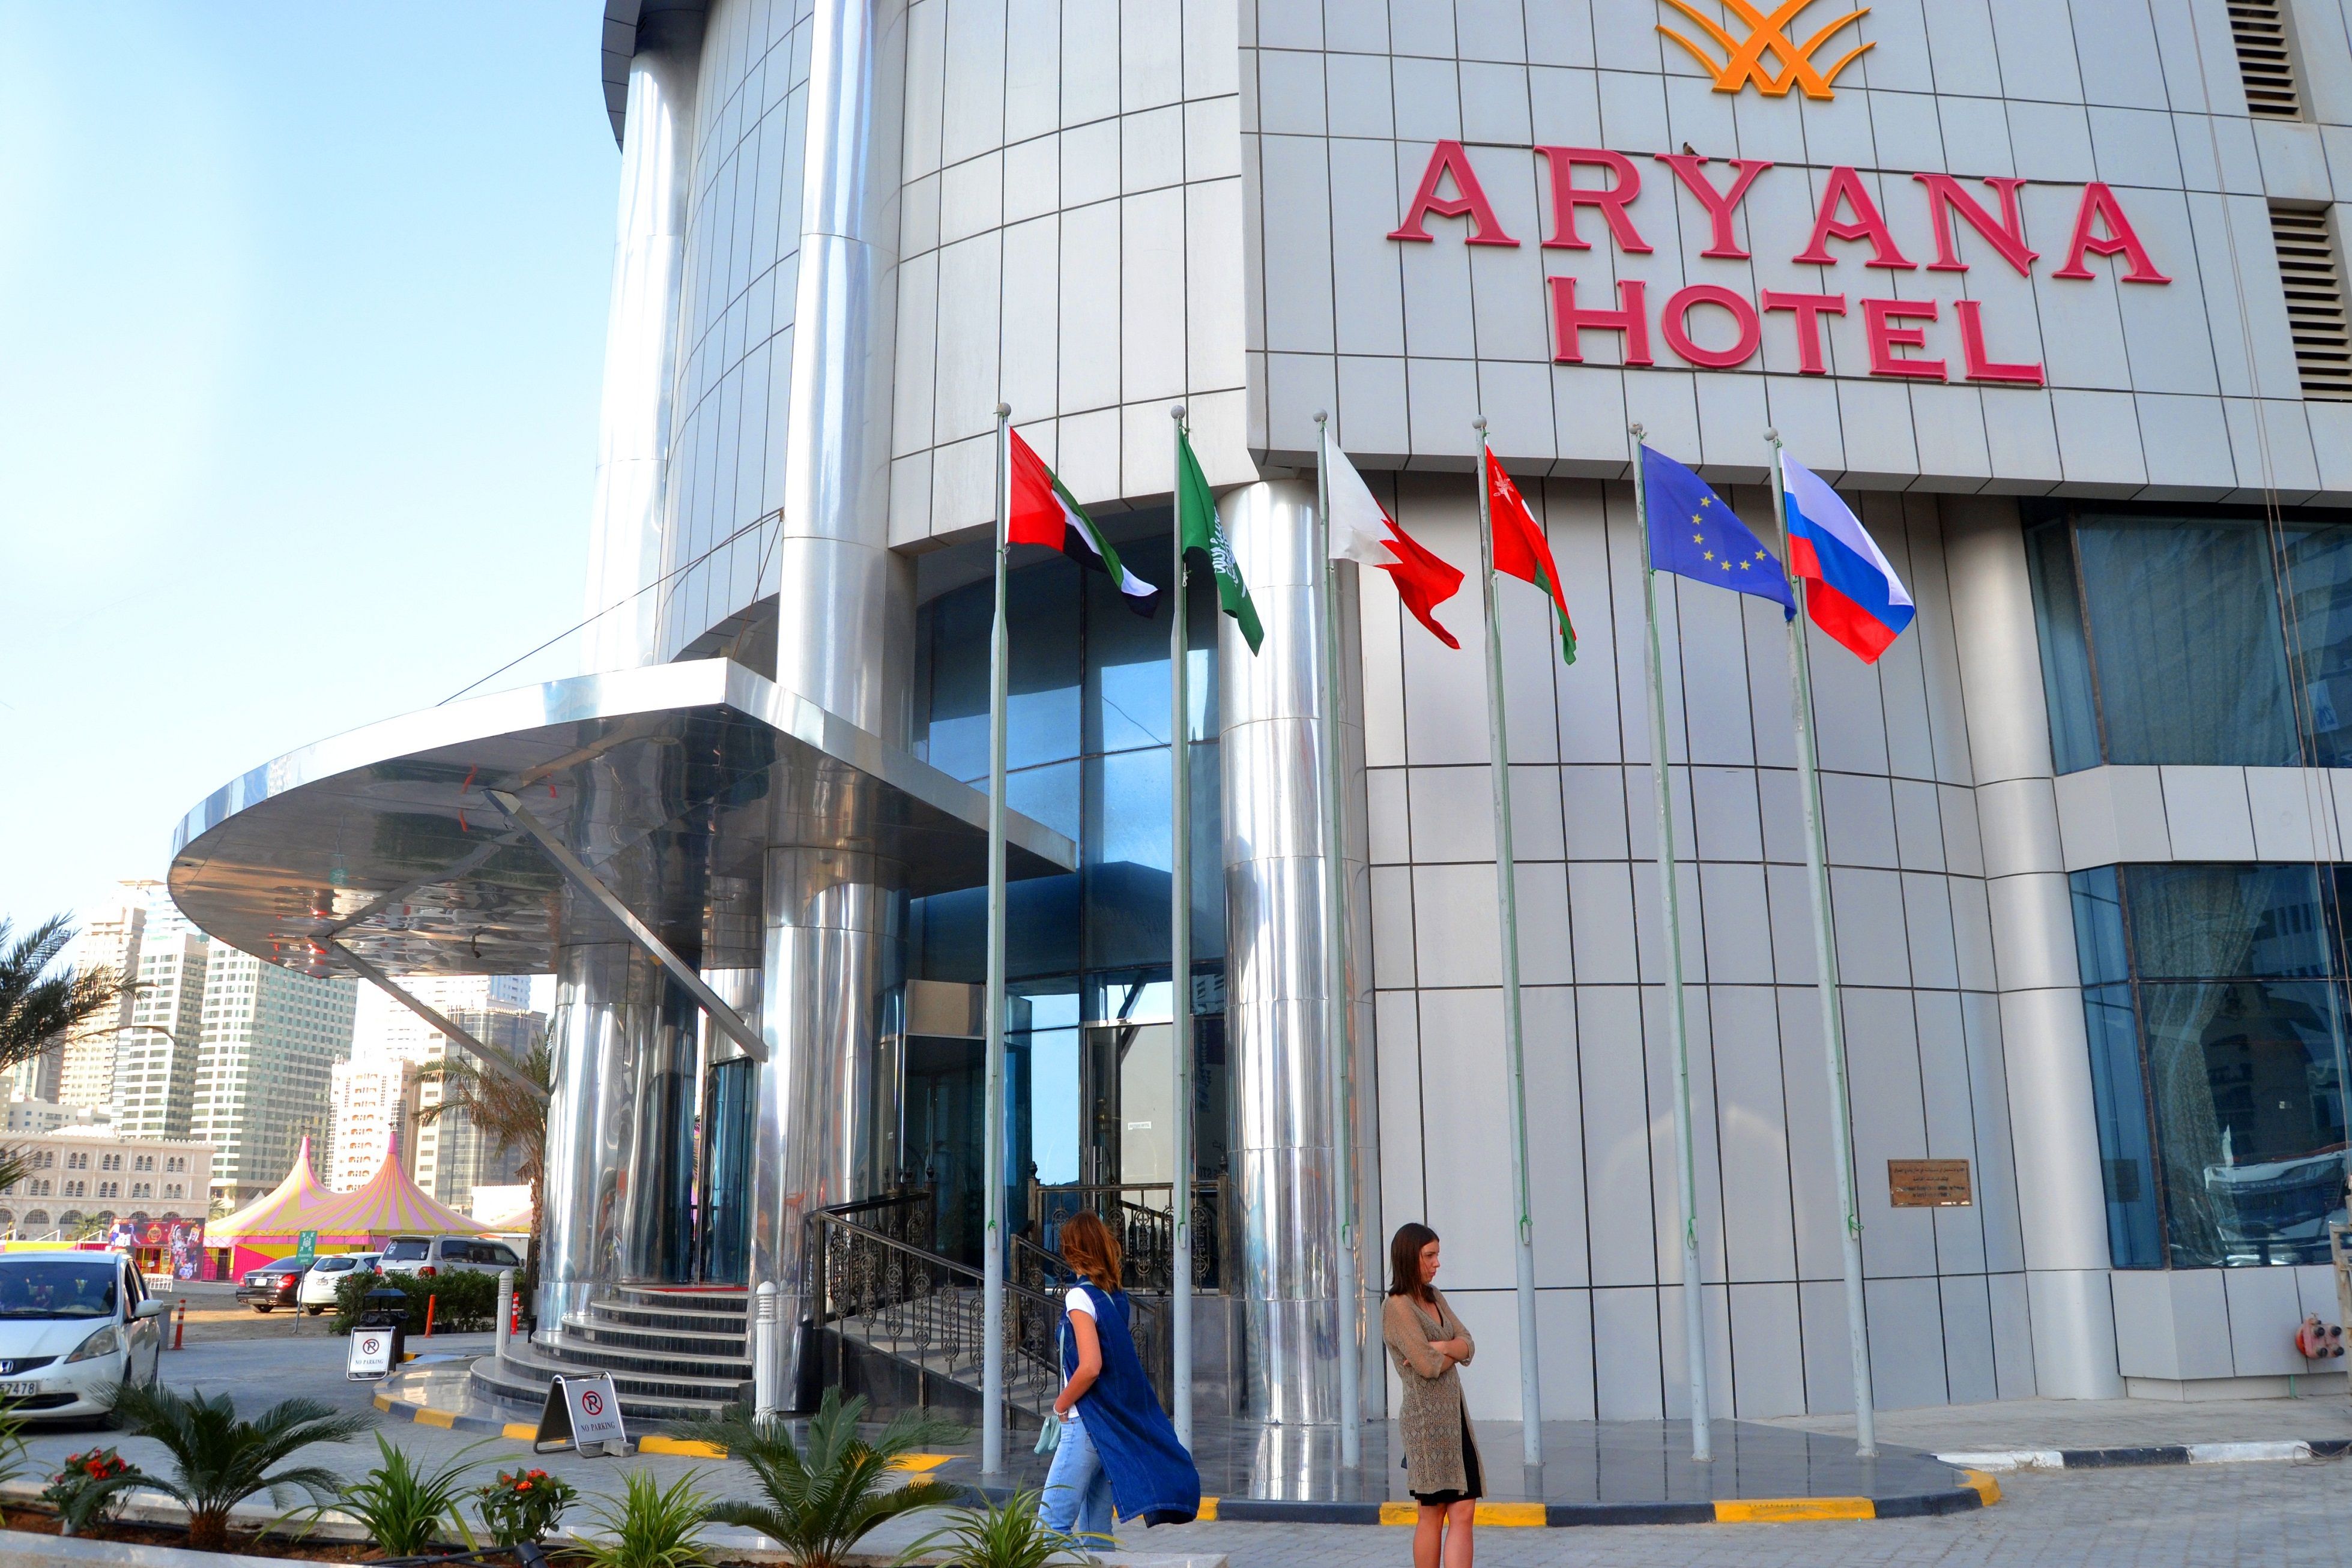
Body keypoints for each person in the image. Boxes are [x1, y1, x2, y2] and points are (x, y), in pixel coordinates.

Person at [1039, 1210, 1201, 1542]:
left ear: (1073, 1250)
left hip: (1084, 1422)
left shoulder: (1079, 1297)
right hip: (1108, 1427)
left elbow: (1091, 1367)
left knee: (1051, 1523)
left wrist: (1060, 1406)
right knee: (1096, 1530)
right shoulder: (1115, 1295)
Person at [1383, 1222, 1480, 1568]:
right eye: (1429, 1255)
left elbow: (1469, 1343)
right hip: (1426, 1423)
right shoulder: (1397, 1307)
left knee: (1464, 1510)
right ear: (1409, 1257)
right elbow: (1425, 1366)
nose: (1437, 1263)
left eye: (1437, 1255)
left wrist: (1440, 1347)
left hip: (1456, 1419)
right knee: (1432, 1513)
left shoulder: (1435, 1296)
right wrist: (1448, 1350)